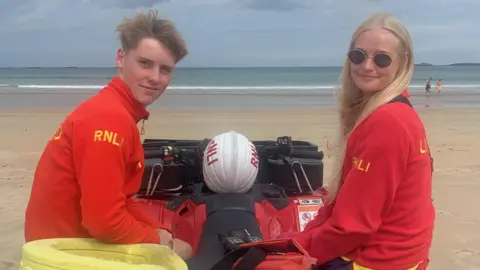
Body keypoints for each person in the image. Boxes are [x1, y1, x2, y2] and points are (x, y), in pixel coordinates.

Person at [24, 10, 192, 260]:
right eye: (145, 63)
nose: (155, 78)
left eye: (165, 69)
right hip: (60, 254)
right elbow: (104, 222)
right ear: (121, 58)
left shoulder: (115, 110)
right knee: (186, 251)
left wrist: (159, 231)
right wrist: (158, 240)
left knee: (174, 239)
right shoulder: (109, 119)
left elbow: (123, 200)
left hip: (60, 242)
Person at [283, 13, 435, 269]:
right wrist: (304, 237)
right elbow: (345, 205)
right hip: (406, 253)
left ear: (402, 64)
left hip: (379, 259)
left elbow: (354, 228)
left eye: (382, 59)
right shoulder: (398, 110)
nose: (366, 66)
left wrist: (292, 248)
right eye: (358, 55)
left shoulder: (387, 122)